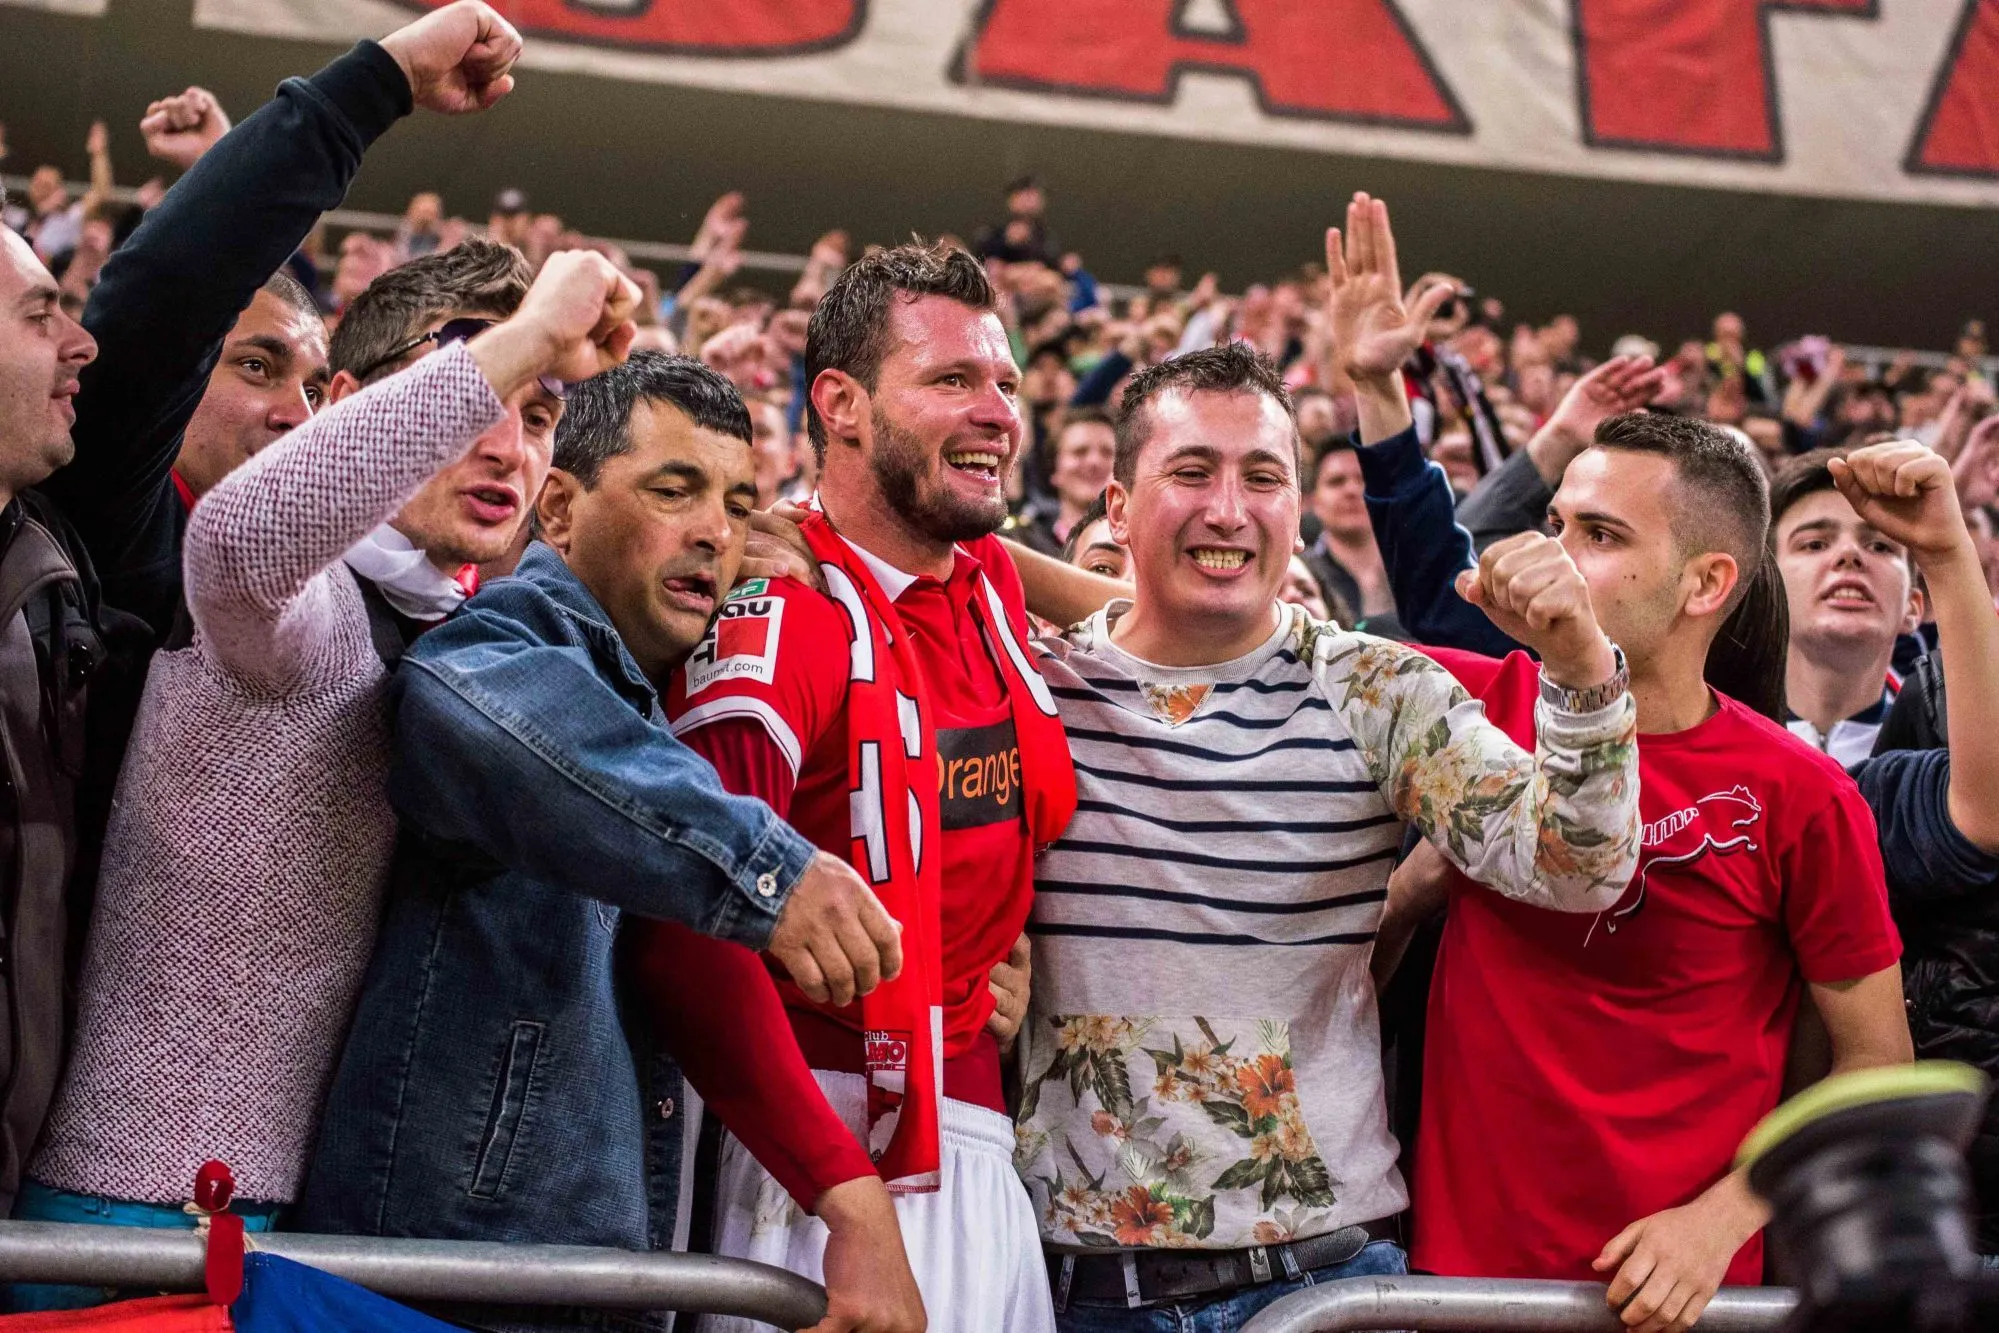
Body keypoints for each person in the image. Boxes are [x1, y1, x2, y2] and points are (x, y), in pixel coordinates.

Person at [1324, 196, 1910, 1333]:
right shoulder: (1472, 711)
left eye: (1601, 536)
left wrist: (1723, 1216)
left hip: (1686, 1305)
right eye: (1558, 521)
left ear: (1703, 586)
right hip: (1452, 1290)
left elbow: (1876, 1064)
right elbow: (1232, 635)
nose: (1553, 553)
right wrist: (1372, 394)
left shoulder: (1799, 792)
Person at [9, 249, 635, 1310]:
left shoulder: (473, 632)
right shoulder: (305, 616)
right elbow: (243, 532)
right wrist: (525, 338)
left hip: (319, 1228)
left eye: (539, 416)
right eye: (471, 388)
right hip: (146, 1229)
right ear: (344, 405)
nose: (503, 443)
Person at [1016, 332, 1642, 1329]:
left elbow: (1581, 870)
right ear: (1116, 510)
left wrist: (1580, 676)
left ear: (1296, 512)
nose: (1229, 507)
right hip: (1086, 1290)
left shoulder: (1377, 687)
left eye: (1261, 476)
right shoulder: (1033, 684)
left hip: (1324, 1287)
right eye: (1192, 471)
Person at [296, 352, 919, 1333]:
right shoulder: (499, 642)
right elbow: (484, 710)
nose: (714, 528)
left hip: (554, 1288)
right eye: (674, 489)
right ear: (558, 513)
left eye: (736, 502)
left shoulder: (652, 689)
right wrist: (768, 867)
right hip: (454, 1291)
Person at [641, 242, 1078, 1332]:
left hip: (980, 1152)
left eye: (1006, 384)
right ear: (838, 401)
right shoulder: (782, 606)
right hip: (813, 1169)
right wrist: (845, 1202)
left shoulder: (992, 591)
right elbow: (681, 925)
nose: (995, 412)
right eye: (950, 381)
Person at [1771, 450, 1923, 765]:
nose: (1849, 553)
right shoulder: (1705, 749)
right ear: (1765, 590)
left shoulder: (1952, 759)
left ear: (1913, 606)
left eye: (1880, 545)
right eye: (1814, 543)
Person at [1299, 440, 1387, 632]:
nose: (1352, 490)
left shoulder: (1415, 568)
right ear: (1314, 501)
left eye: (1364, 480)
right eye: (1336, 481)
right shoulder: (1300, 575)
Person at [1013, 408, 1115, 558]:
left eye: (1107, 452)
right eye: (1080, 452)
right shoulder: (1023, 544)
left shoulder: (1140, 544)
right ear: (1054, 470)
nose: (1094, 462)